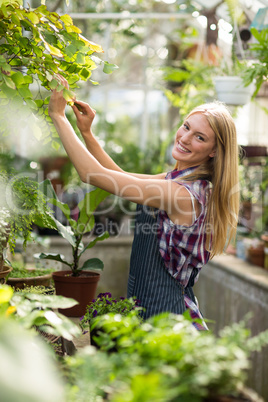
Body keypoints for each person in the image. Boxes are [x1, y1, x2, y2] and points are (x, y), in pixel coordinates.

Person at [48, 75, 240, 330]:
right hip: (148, 306)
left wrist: (59, 117)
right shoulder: (181, 181)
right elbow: (120, 176)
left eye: (200, 137)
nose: (184, 137)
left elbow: (91, 175)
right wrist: (86, 133)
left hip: (163, 315)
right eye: (186, 126)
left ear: (214, 151)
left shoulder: (182, 194)